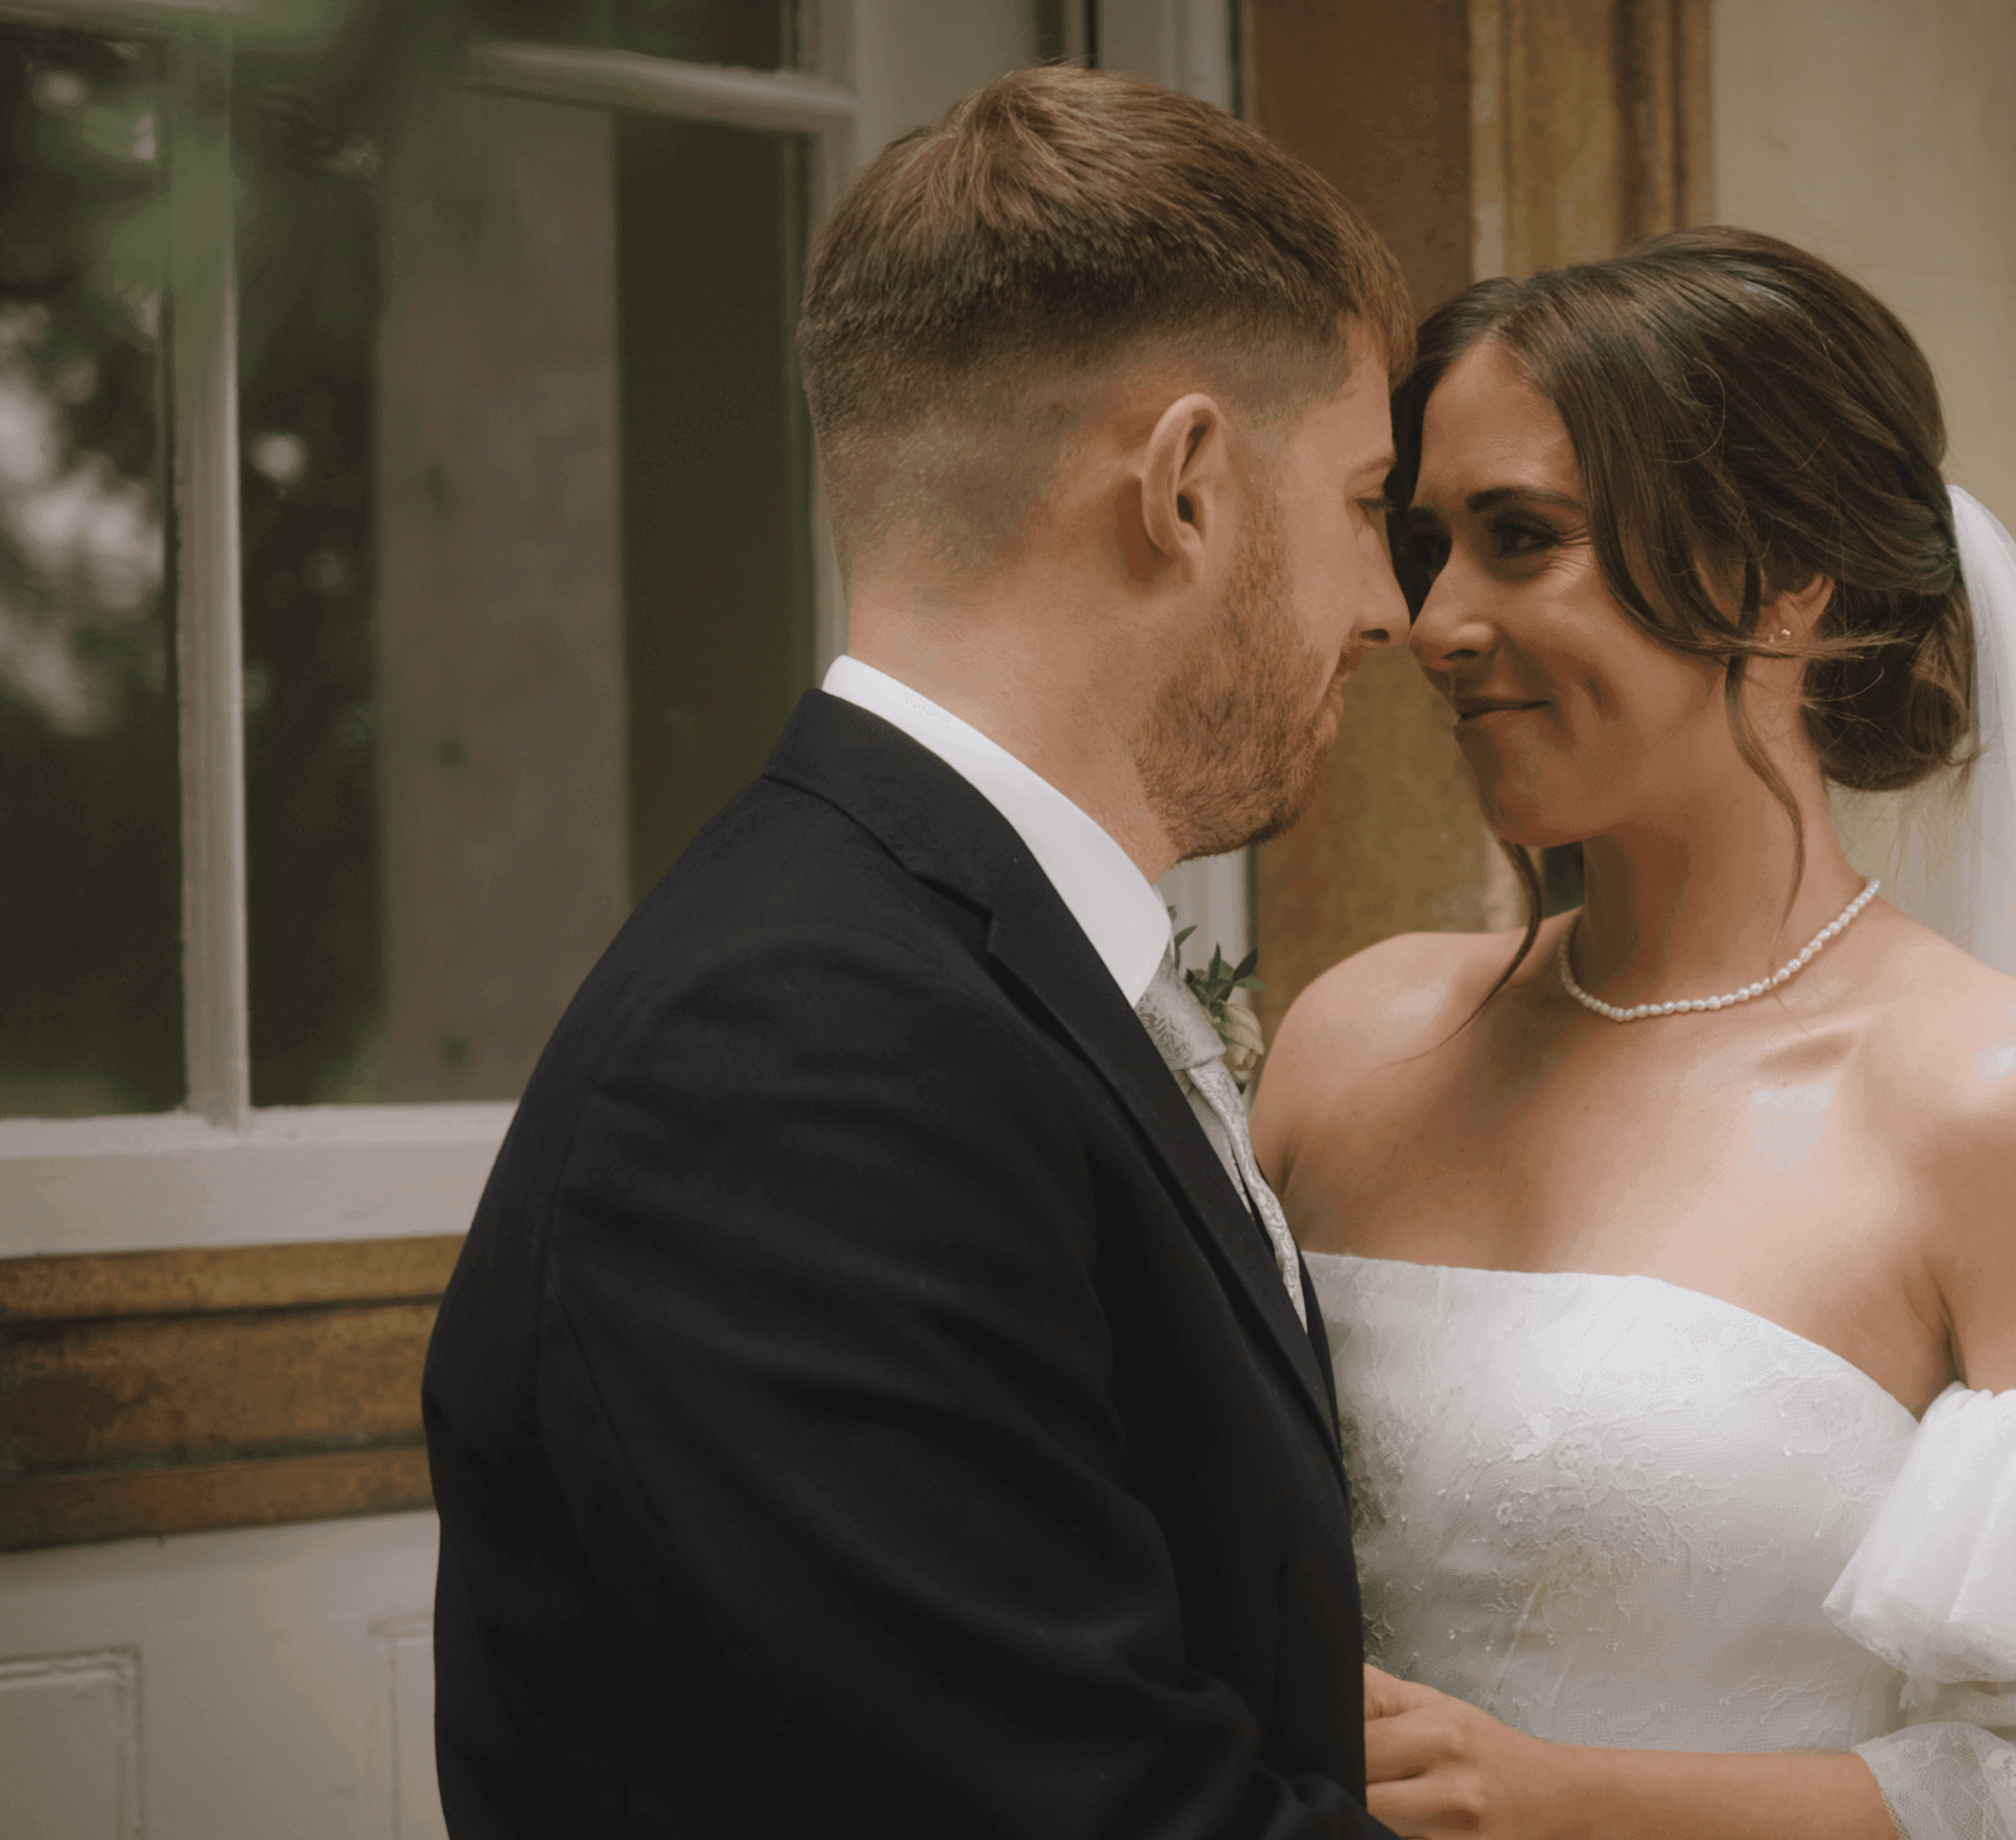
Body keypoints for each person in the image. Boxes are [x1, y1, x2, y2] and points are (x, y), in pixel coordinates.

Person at [1255, 227, 2016, 1838]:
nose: (1437, 620)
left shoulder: (1994, 1108)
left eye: (1521, 539)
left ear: (1784, 580)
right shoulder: (1353, 1041)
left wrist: (1560, 1799)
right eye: (1424, 545)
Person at [422, 66, 1413, 1837]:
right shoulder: (806, 1052)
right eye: (1363, 501)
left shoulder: (923, 964)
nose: (1392, 610)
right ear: (1186, 489)